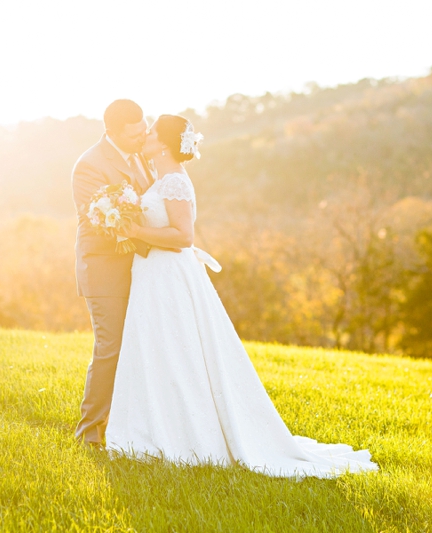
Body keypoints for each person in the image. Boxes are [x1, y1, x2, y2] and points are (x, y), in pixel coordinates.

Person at [106, 115, 378, 478]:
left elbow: (183, 236)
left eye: (152, 131)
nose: (147, 135)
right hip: (152, 274)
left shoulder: (173, 182)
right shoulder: (161, 179)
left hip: (169, 275)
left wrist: (134, 228)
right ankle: (152, 426)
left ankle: (186, 433)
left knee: (177, 350)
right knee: (157, 349)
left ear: (167, 144)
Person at [71, 99, 162, 447]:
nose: (143, 136)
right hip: (105, 270)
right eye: (135, 133)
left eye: (144, 129)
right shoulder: (89, 165)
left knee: (140, 346)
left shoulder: (140, 154)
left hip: (143, 268)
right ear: (112, 132)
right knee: (110, 347)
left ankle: (133, 426)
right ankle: (89, 432)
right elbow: (99, 220)